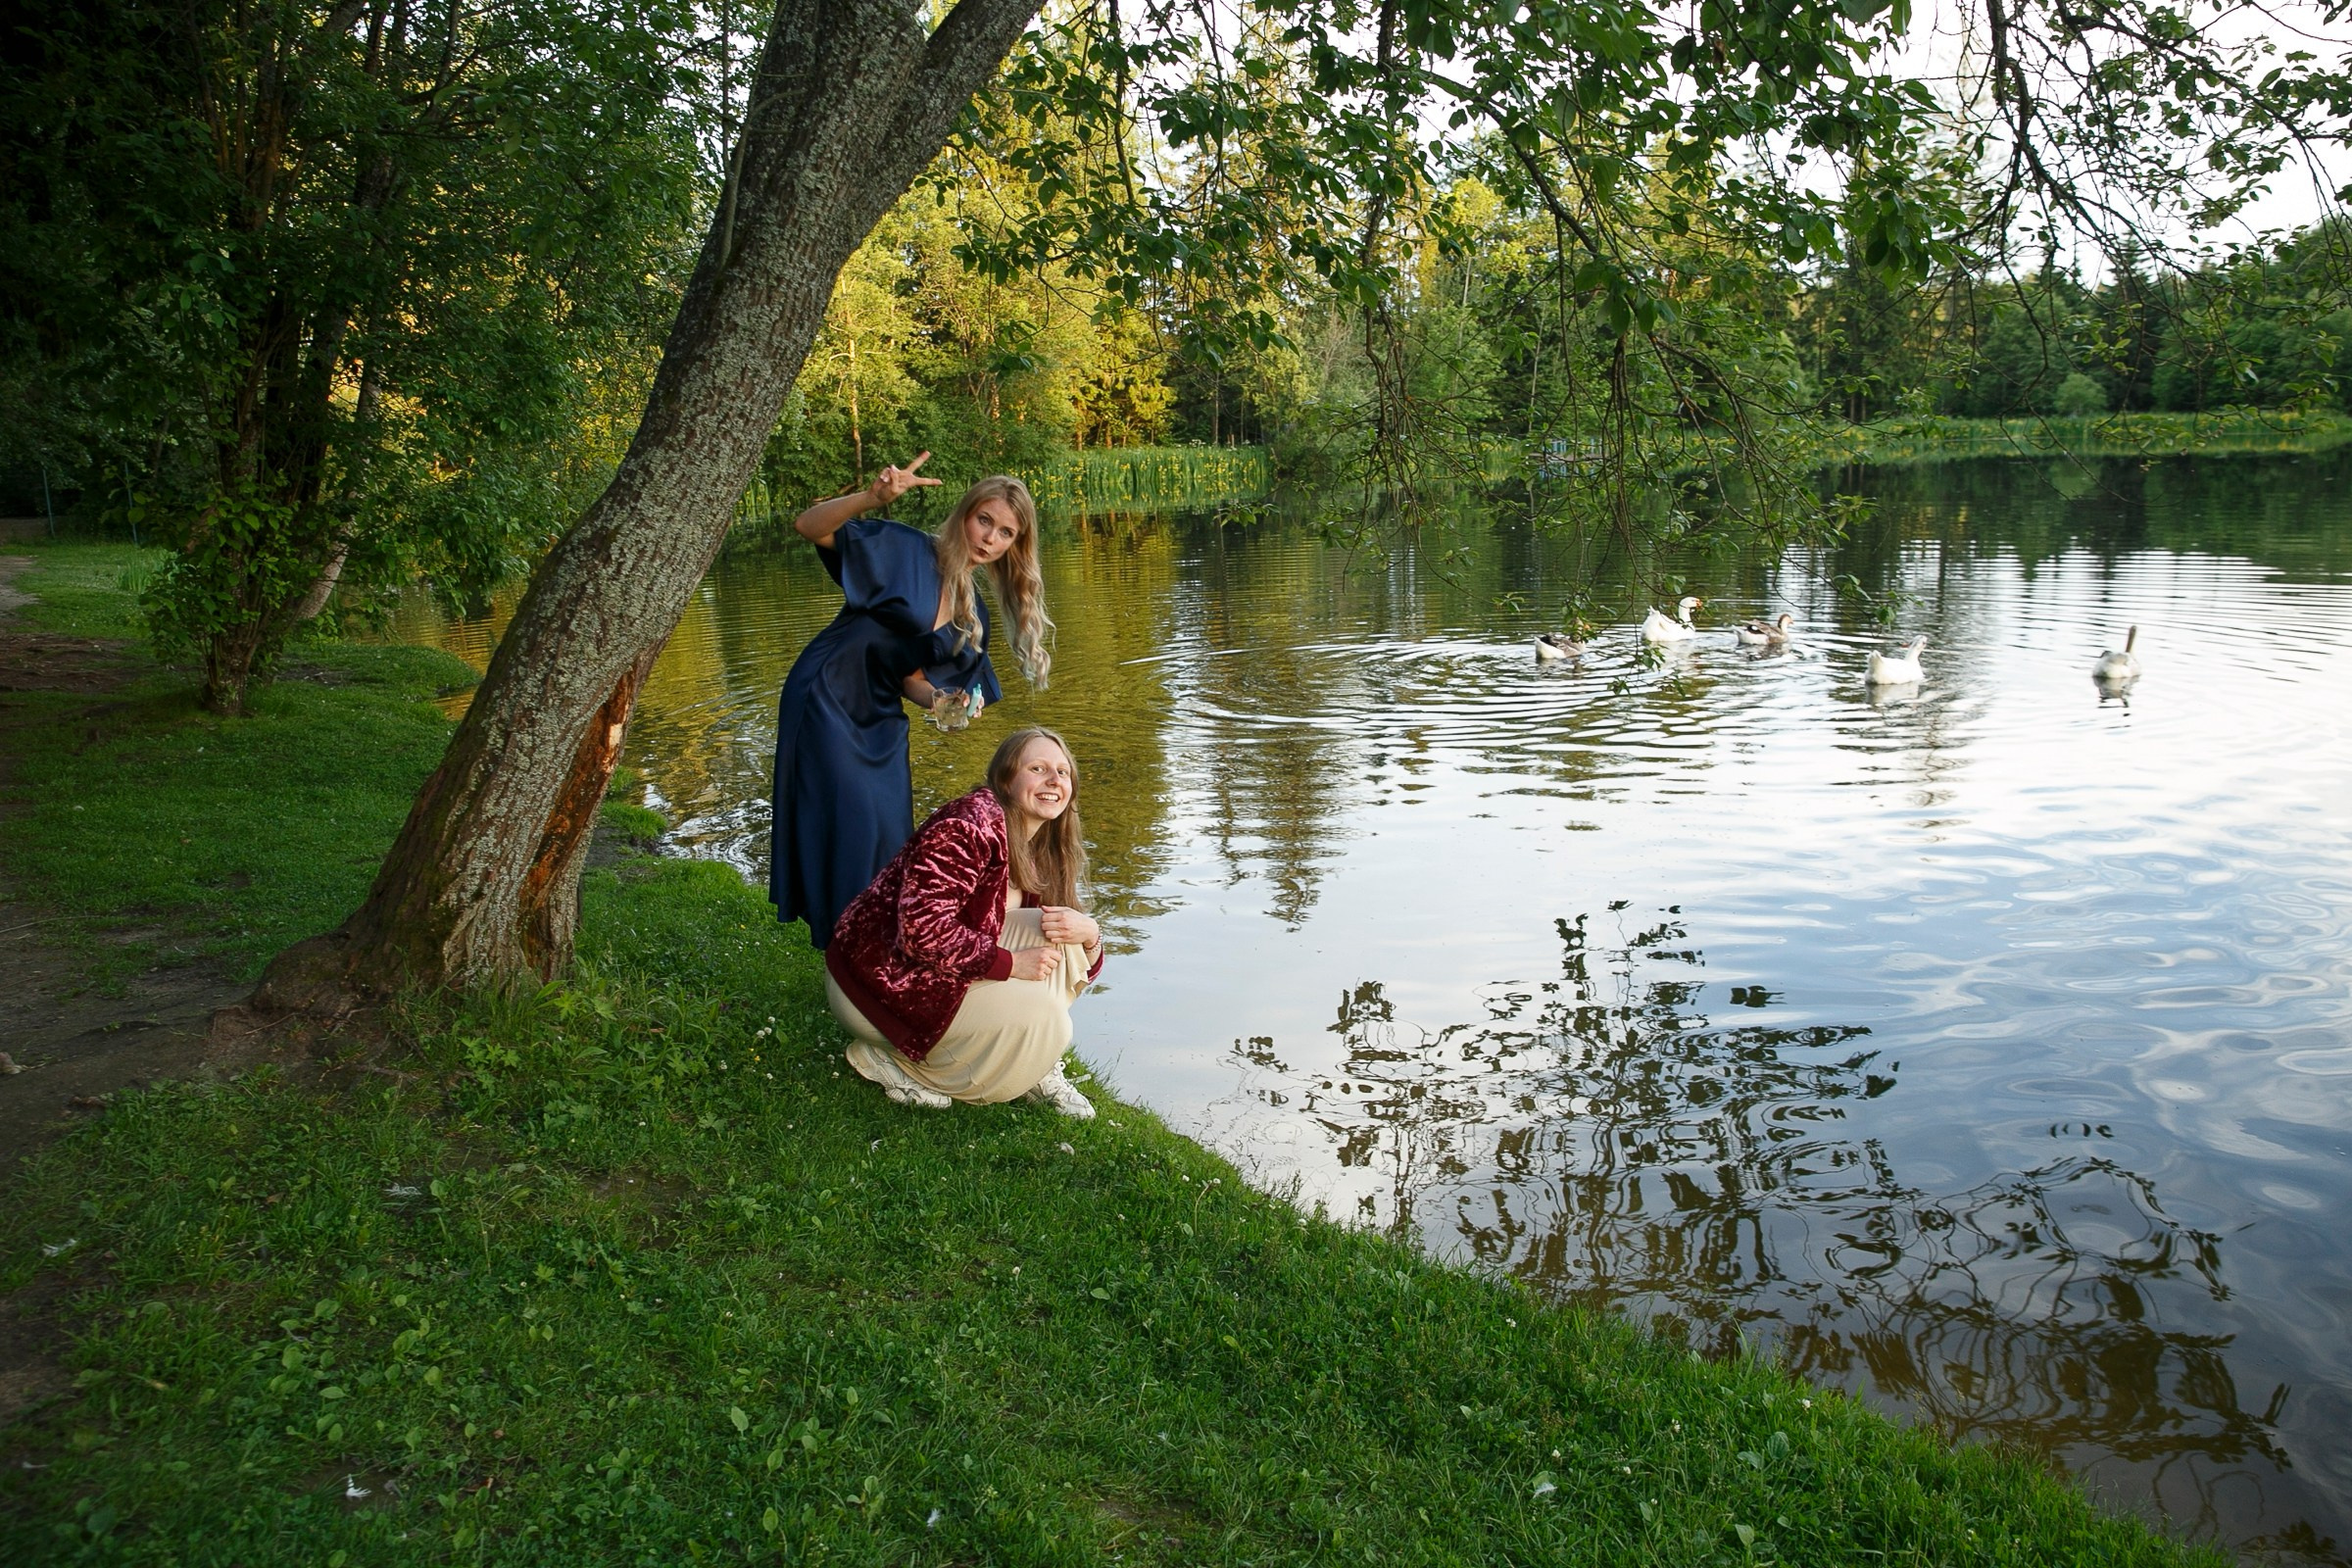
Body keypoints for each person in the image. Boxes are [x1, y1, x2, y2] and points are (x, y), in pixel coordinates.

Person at [769, 455, 1053, 948]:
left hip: (880, 714)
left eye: (1005, 533)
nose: (989, 538)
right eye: (984, 520)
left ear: (1014, 545)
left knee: (889, 831)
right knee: (852, 822)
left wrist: (945, 699)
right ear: (965, 513)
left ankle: (872, 949)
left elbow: (913, 679)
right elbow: (807, 525)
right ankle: (847, 951)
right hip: (828, 695)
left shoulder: (973, 613)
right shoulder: (904, 548)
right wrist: (871, 498)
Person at [823, 727, 1104, 1115]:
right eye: (1038, 768)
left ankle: (1036, 1067)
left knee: (1062, 929)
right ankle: (895, 1062)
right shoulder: (968, 826)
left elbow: (1071, 961)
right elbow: (921, 929)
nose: (1054, 781)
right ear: (1006, 778)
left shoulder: (1042, 841)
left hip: (940, 965)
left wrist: (1092, 937)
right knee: (1048, 1020)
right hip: (878, 980)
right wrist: (1008, 965)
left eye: (1063, 772)